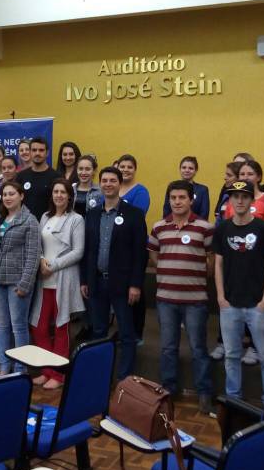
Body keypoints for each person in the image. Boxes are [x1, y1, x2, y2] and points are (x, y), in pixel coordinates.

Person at [149, 180, 215, 414]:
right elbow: (154, 256)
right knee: (168, 348)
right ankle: (169, 390)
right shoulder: (158, 227)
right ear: (168, 200)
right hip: (166, 297)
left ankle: (204, 392)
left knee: (198, 348)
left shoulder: (205, 227)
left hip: (195, 298)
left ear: (191, 200)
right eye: (173, 198)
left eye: (182, 198)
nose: (177, 202)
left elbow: (211, 259)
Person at [213, 180, 264, 404]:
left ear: (252, 200)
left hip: (257, 304)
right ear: (230, 200)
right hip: (229, 303)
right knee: (232, 355)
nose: (239, 200)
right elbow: (218, 264)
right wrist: (220, 297)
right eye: (235, 196)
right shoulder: (222, 228)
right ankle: (233, 400)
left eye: (244, 196)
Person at [81, 166, 147, 379]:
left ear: (120, 184)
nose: (108, 184)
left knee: (127, 334)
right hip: (97, 282)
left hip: (123, 284)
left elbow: (140, 253)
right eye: (104, 180)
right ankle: (99, 376)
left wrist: (136, 284)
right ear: (100, 184)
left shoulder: (134, 215)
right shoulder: (91, 215)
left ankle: (124, 379)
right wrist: (85, 280)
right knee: (98, 332)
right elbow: (88, 250)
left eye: (112, 180)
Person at [0, 181, 41, 374]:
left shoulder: (30, 220)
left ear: (21, 196)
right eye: (5, 194)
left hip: (17, 282)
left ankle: (20, 368)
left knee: (18, 326)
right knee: (1, 325)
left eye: (12, 194)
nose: (7, 197)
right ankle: (4, 366)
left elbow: (33, 255)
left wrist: (25, 283)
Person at [30, 179, 85, 389]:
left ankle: (59, 375)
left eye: (63, 192)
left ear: (70, 196)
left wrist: (52, 265)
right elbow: (38, 244)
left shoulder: (76, 219)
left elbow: (78, 252)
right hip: (43, 280)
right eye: (56, 191)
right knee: (39, 327)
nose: (59, 195)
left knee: (61, 328)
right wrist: (42, 259)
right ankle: (47, 370)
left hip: (63, 279)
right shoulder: (45, 217)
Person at [117, 154, 150, 343]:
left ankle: (137, 332)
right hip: (115, 248)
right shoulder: (114, 188)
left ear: (135, 169)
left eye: (129, 167)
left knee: (136, 291)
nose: (125, 170)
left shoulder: (141, 192)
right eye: (122, 166)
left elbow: (136, 216)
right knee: (120, 293)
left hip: (134, 247)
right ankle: (123, 331)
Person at [16, 137, 59, 220]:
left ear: (47, 153)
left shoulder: (56, 177)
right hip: (25, 225)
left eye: (41, 150)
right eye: (34, 150)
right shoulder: (21, 176)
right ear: (30, 152)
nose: (37, 153)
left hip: (48, 225)